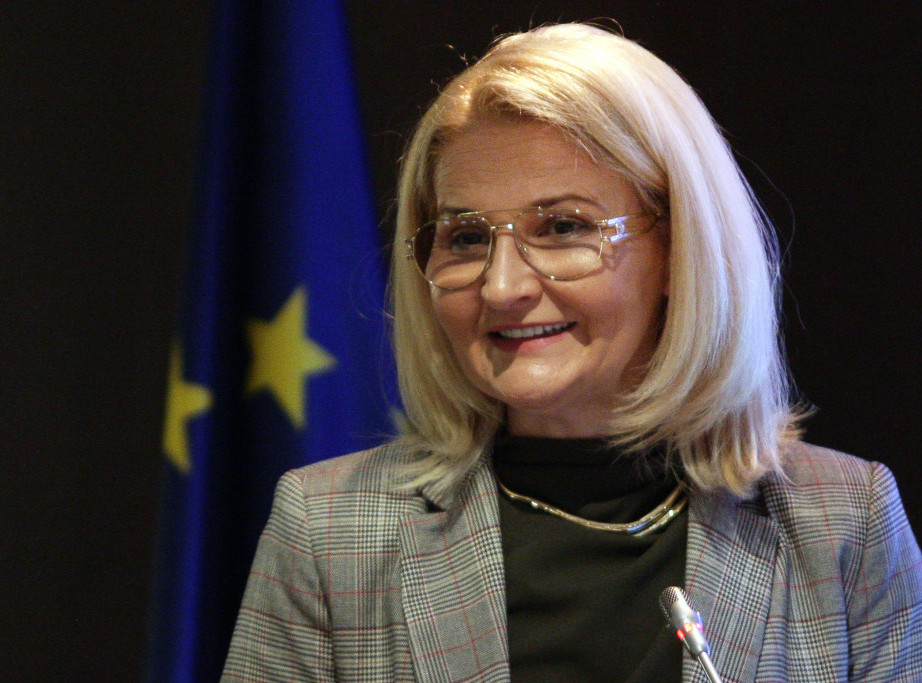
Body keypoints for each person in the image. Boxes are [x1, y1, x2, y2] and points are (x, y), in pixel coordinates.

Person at [222, 23, 922, 682]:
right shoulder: (328, 530)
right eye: (467, 237)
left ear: (680, 248)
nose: (502, 287)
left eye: (562, 227)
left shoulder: (844, 523)